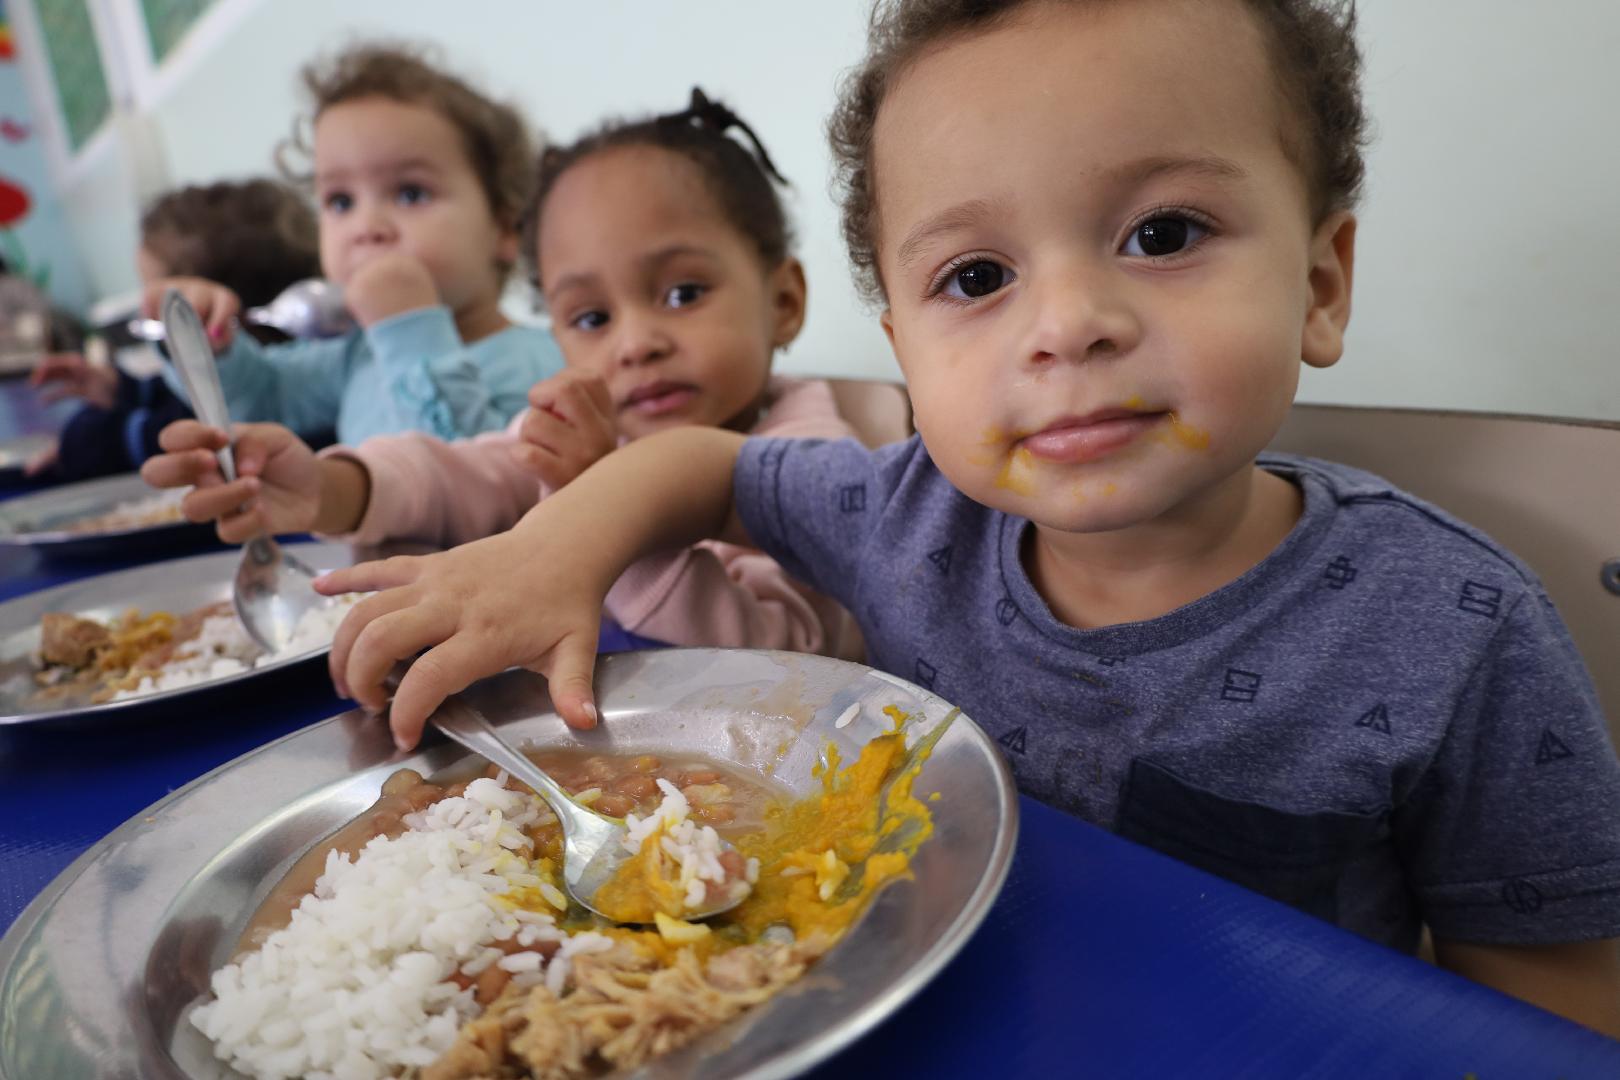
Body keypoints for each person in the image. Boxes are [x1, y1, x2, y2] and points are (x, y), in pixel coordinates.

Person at [312, 0, 1620, 1033]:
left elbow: (1551, 1009)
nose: (1068, 325)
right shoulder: (904, 513)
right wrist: (545, 555)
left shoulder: (1457, 626)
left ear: (1322, 284)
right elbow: (704, 465)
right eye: (978, 274)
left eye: (1164, 234)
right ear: (902, 342)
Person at [143, 90, 865, 664]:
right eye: (591, 317)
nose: (636, 344)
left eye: (682, 294)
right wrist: (328, 489)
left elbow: (794, 649)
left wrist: (605, 505)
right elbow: (460, 474)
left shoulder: (809, 459)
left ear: (783, 301)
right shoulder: (597, 427)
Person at [142, 42, 562, 444]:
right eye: (341, 201)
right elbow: (263, 398)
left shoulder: (547, 365)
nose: (367, 227)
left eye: (411, 193)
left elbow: (466, 476)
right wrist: (207, 345)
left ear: (505, 229)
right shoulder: (357, 354)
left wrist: (410, 329)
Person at [30, 179, 322, 480]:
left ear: (210, 312)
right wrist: (122, 389)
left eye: (159, 304)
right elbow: (175, 394)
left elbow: (113, 440)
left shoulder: (249, 411)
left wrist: (73, 444)